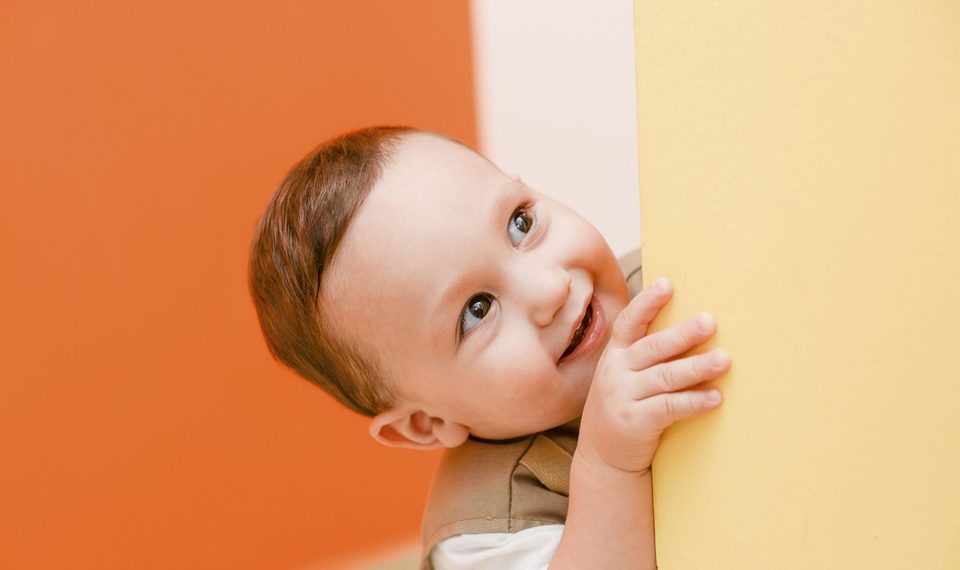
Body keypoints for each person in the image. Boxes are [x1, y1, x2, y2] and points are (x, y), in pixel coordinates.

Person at [247, 126, 730, 569]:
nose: (549, 289)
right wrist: (607, 465)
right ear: (427, 424)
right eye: (477, 310)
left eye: (520, 224)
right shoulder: (486, 530)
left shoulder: (661, 282)